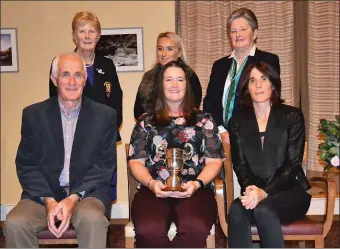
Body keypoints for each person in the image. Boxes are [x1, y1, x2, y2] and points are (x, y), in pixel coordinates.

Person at [4, 52, 117, 248]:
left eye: (78, 75)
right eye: (65, 74)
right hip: (43, 195)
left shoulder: (105, 116)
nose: (72, 81)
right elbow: (27, 164)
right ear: (54, 79)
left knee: (93, 219)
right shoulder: (33, 115)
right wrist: (49, 201)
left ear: (85, 80)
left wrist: (73, 198)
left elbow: (105, 166)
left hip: (86, 194)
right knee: (15, 223)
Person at [128, 60, 224, 247]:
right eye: (168, 79)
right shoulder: (145, 121)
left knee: (194, 228)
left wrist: (196, 184)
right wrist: (151, 183)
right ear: (160, 85)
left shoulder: (204, 120)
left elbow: (214, 161)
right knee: (148, 230)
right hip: (153, 189)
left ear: (187, 86)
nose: (174, 85)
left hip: (196, 189)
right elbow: (136, 162)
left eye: (180, 80)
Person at [227, 61, 311, 248]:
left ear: (272, 83)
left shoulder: (292, 116)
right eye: (252, 81)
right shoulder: (238, 122)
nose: (258, 85)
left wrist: (264, 192)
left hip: (291, 192)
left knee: (264, 210)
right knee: (236, 210)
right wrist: (251, 190)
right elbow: (240, 166)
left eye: (263, 79)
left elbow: (293, 164)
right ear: (246, 88)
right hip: (255, 191)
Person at [203, 8, 280, 144]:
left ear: (255, 33)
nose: (238, 34)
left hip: (252, 137)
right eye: (233, 31)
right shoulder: (219, 65)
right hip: (220, 137)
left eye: (243, 29)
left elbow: (269, 100)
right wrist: (220, 130)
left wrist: (237, 132)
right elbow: (209, 102)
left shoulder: (268, 60)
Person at [49, 11, 123, 142]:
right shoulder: (62, 63)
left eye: (92, 31)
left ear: (98, 36)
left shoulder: (107, 65)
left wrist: (108, 131)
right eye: (82, 31)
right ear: (74, 36)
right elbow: (55, 102)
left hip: (104, 138)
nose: (87, 36)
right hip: (73, 137)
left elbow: (116, 103)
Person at [133, 31, 202, 120]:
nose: (164, 54)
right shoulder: (149, 77)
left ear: (179, 52)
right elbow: (138, 111)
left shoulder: (189, 75)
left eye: (169, 49)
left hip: (183, 128)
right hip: (152, 128)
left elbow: (193, 107)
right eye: (160, 49)